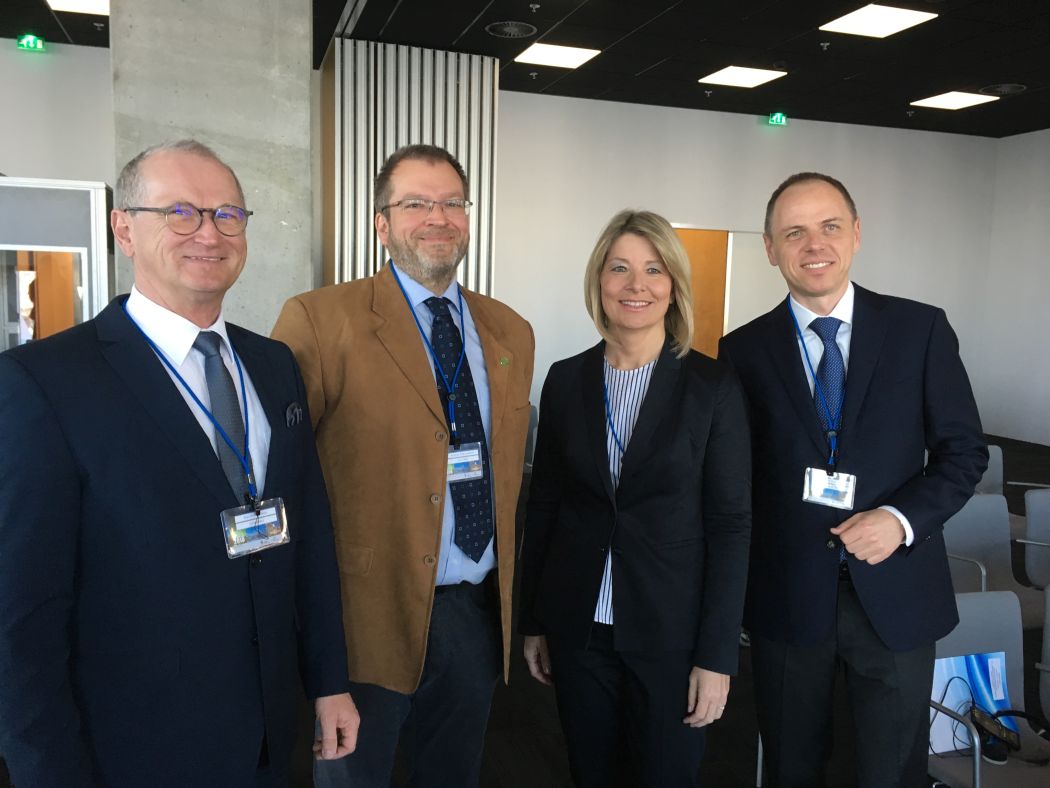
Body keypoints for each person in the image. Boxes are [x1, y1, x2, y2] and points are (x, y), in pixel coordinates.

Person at [0, 140, 359, 788]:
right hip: (135, 748)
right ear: (124, 228)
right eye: (181, 212)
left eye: (228, 214)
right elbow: (20, 622)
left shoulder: (274, 366)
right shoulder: (45, 383)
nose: (209, 233)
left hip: (270, 736)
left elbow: (311, 541)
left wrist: (329, 680)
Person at [271, 143, 535, 787]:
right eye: (416, 203)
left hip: (474, 613)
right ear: (382, 224)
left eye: (451, 203)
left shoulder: (510, 332)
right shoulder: (320, 319)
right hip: (363, 614)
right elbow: (282, 476)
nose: (437, 217)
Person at [719, 173, 988, 787]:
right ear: (770, 248)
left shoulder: (920, 330)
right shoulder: (742, 351)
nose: (814, 244)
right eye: (794, 232)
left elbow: (964, 452)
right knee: (792, 765)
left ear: (857, 234)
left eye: (829, 226)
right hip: (788, 597)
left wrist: (899, 521)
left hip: (895, 593)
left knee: (891, 770)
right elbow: (738, 479)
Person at [517, 209, 752, 787]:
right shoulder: (565, 380)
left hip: (671, 634)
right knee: (590, 772)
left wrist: (717, 656)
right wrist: (534, 620)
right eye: (619, 268)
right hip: (580, 629)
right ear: (599, 281)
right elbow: (545, 506)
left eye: (653, 269)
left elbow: (731, 525)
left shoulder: (711, 386)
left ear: (673, 286)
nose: (635, 284)